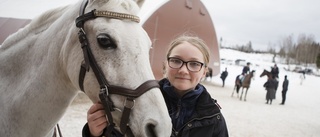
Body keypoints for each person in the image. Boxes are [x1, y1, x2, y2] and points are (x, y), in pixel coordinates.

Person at [82, 35, 229, 137]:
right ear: (165, 65)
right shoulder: (137, 103)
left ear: (204, 71)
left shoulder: (214, 118)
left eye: (194, 64)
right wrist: (95, 133)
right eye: (176, 61)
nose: (184, 70)